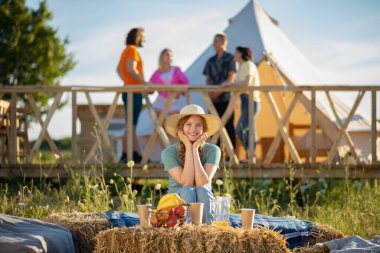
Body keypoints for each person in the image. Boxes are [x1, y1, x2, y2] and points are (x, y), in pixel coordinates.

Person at [161, 104, 221, 224]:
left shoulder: (214, 150)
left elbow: (201, 182)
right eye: (188, 124)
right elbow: (187, 182)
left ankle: (207, 231)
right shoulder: (168, 152)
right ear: (181, 128)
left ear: (203, 129)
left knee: (202, 190)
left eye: (198, 125)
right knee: (188, 190)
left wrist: (195, 149)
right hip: (177, 202)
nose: (193, 129)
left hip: (203, 200)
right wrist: (188, 146)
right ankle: (185, 231)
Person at [222, 46, 260, 163]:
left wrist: (230, 84)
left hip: (250, 99)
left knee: (240, 129)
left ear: (241, 54)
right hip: (245, 100)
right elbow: (240, 85)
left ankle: (251, 156)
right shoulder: (242, 67)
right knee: (248, 129)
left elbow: (246, 83)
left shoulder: (248, 64)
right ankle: (250, 157)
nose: (234, 54)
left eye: (236, 52)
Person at [117, 27, 148, 163]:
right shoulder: (132, 50)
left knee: (131, 125)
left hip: (128, 91)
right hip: (133, 92)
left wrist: (127, 81)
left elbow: (119, 70)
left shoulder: (126, 50)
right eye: (143, 37)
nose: (144, 40)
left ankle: (131, 153)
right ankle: (129, 154)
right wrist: (145, 83)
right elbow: (131, 69)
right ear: (137, 37)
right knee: (131, 125)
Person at [203, 33, 236, 149]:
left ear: (223, 42)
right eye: (214, 41)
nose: (214, 44)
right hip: (212, 100)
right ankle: (214, 156)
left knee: (228, 127)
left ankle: (230, 158)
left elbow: (231, 77)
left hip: (226, 98)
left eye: (216, 41)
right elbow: (207, 78)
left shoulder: (230, 58)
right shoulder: (210, 60)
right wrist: (210, 93)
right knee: (212, 127)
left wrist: (218, 92)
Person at [149, 48, 189, 115]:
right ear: (162, 56)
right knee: (159, 120)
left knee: (173, 122)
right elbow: (150, 88)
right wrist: (155, 88)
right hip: (161, 101)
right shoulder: (157, 72)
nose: (169, 56)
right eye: (167, 54)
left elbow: (185, 82)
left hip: (173, 101)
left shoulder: (176, 70)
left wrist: (179, 91)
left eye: (170, 55)